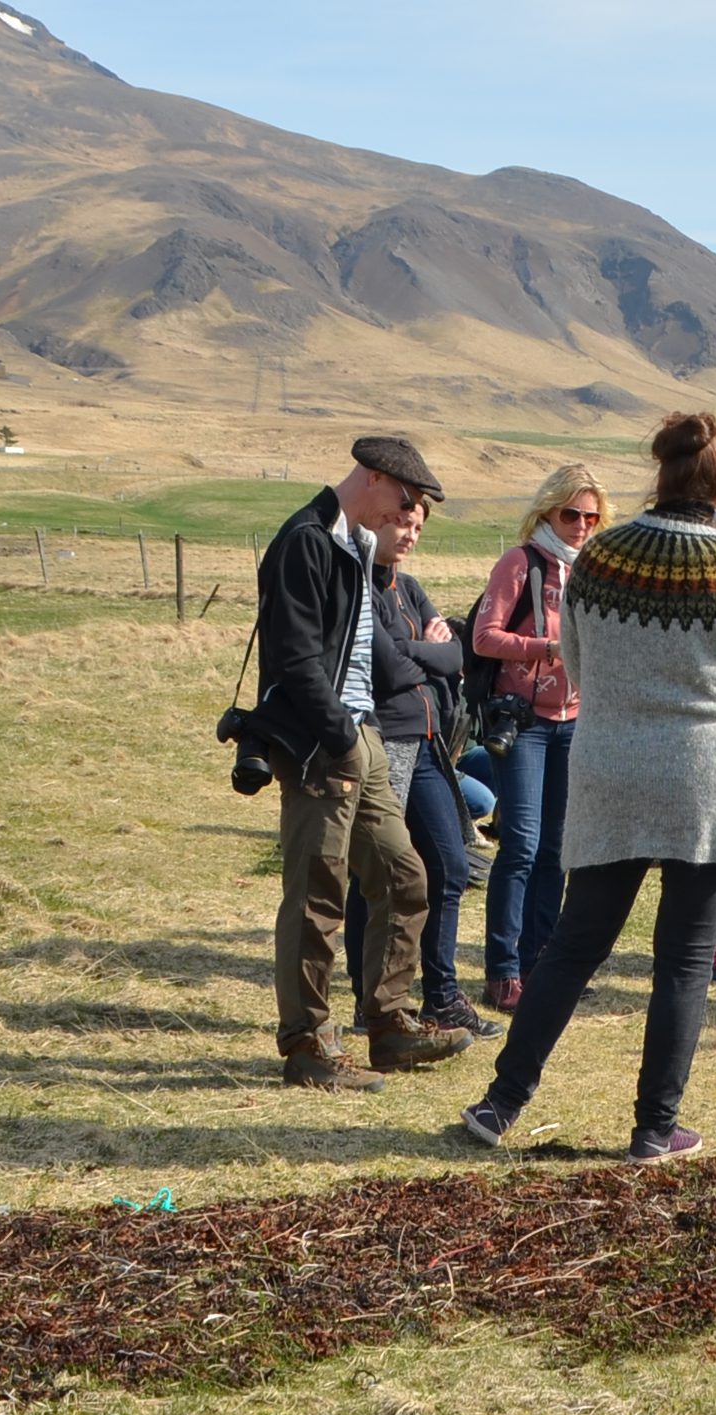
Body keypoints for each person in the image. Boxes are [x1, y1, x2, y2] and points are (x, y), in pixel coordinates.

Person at [458, 412, 716, 1161]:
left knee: (573, 944)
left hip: (611, 767)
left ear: (660, 470)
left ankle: (501, 1101)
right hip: (708, 781)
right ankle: (654, 1128)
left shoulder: (602, 556)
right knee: (683, 957)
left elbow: (575, 664)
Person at [251, 437, 475, 1091]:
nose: (406, 517)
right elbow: (294, 660)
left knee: (406, 878)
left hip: (361, 735)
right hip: (326, 742)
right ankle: (307, 1046)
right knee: (318, 895)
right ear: (372, 478)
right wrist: (340, 736)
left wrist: (360, 733)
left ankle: (389, 1024)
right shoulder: (307, 540)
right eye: (403, 501)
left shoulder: (350, 543)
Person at [345, 502, 500, 1039]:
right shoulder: (357, 586)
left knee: (451, 867)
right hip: (381, 743)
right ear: (375, 524)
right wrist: (425, 652)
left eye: (417, 527)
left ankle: (441, 998)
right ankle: (369, 1004)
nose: (409, 535)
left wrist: (430, 653)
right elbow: (385, 669)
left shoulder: (408, 589)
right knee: (375, 872)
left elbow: (458, 657)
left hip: (430, 742)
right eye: (401, 524)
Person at [471, 464, 603, 1011]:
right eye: (571, 513)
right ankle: (502, 971)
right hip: (523, 721)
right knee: (521, 844)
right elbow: (483, 637)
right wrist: (543, 647)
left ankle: (539, 963)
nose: (580, 525)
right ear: (548, 510)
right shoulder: (519, 561)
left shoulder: (593, 569)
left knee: (557, 849)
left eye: (591, 517)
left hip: (575, 721)